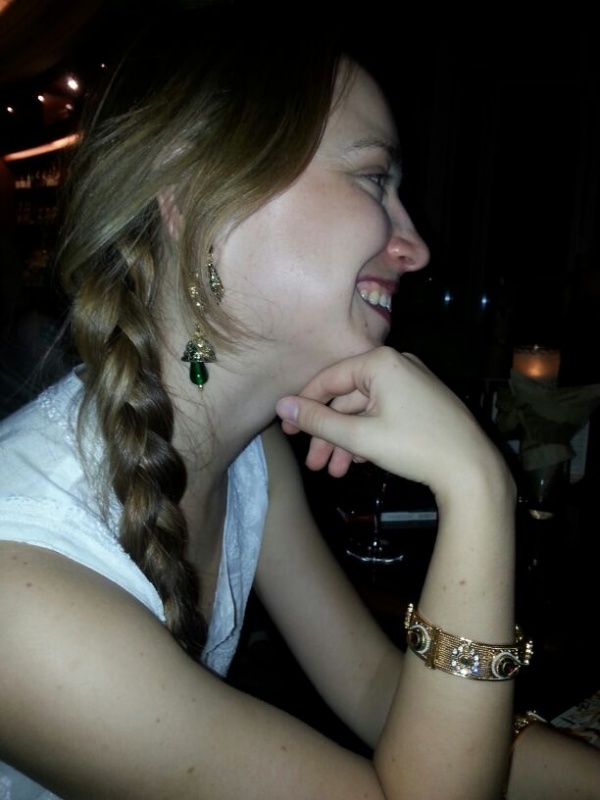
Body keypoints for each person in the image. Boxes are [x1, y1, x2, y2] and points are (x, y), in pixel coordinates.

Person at [0, 4, 599, 798]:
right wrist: (479, 486)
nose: (415, 246)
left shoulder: (251, 459)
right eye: (373, 179)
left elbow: (383, 691)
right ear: (197, 194)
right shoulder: (22, 593)